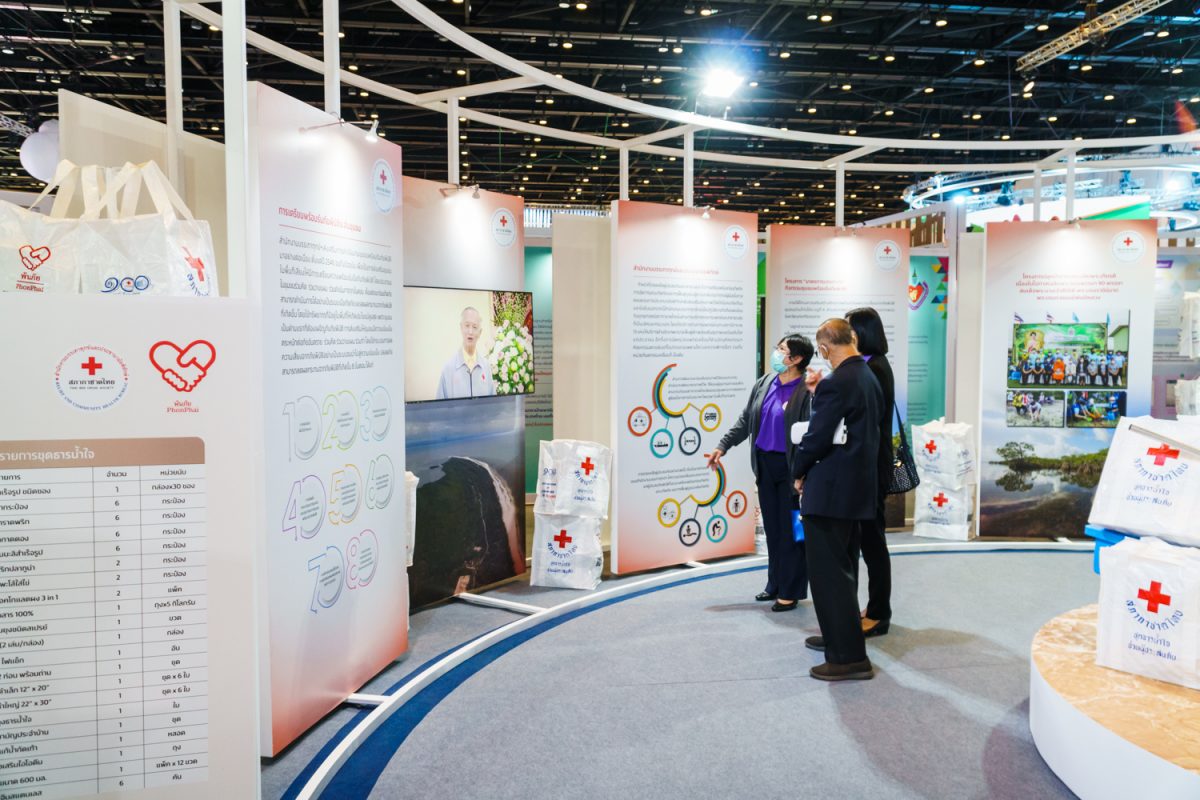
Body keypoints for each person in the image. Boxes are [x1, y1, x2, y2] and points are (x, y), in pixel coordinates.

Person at [792, 318, 882, 681]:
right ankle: (838, 637)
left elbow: (817, 437)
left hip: (830, 491)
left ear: (825, 349)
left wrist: (798, 470)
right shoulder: (868, 376)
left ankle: (847, 657)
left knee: (829, 575)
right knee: (842, 570)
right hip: (854, 489)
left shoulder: (837, 382)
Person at [709, 334, 815, 612]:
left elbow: (811, 434)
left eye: (782, 350)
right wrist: (723, 446)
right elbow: (747, 419)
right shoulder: (765, 382)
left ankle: (790, 590)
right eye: (777, 348)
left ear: (797, 359)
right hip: (765, 465)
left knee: (792, 531)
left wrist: (804, 472)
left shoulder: (807, 390)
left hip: (792, 470)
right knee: (773, 529)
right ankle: (775, 583)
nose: (776, 353)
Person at [842, 307, 894, 638]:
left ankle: (878, 614)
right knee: (870, 541)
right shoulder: (872, 365)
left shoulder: (873, 368)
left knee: (873, 543)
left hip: (872, 466)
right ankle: (875, 608)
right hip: (871, 464)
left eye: (849, 330)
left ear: (861, 333)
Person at [436, 306, 495, 399]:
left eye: (475, 327)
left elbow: (493, 404)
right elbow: (439, 406)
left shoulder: (486, 367)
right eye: (467, 325)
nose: (470, 331)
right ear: (461, 327)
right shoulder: (448, 369)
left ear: (480, 332)